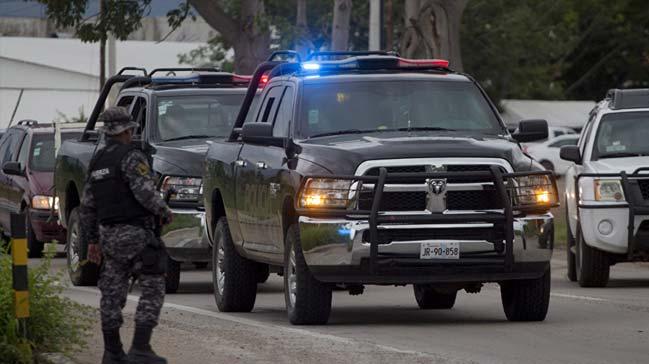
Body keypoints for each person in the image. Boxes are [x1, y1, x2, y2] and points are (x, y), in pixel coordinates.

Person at [79, 106, 173, 364]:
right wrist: (164, 210)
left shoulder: (97, 161)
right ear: (125, 131)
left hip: (108, 236)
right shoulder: (132, 156)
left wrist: (92, 241)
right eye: (130, 129)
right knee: (154, 283)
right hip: (136, 234)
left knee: (111, 291)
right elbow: (144, 192)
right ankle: (141, 348)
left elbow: (87, 206)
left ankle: (112, 351)